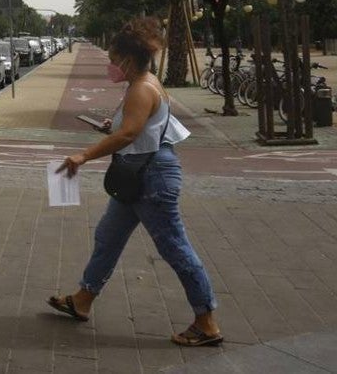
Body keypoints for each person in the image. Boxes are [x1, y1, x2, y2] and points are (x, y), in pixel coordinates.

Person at [48, 17, 222, 347]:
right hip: (137, 177)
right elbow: (135, 126)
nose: (111, 66)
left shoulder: (142, 88)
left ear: (129, 59)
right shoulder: (145, 81)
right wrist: (111, 125)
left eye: (114, 61)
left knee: (175, 248)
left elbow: (130, 133)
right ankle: (82, 299)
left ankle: (206, 321)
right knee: (107, 237)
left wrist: (84, 156)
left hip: (151, 178)